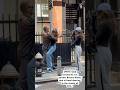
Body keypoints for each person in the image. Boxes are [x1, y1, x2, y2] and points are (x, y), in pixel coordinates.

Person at [94, 3, 115, 90]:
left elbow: (96, 38)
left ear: (103, 13)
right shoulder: (111, 24)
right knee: (105, 78)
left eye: (98, 13)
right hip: (107, 50)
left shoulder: (104, 25)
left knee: (101, 80)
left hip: (101, 51)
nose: (97, 15)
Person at [18, 1, 35, 90]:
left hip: (29, 52)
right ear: (24, 9)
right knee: (24, 77)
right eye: (29, 7)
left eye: (32, 7)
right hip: (25, 52)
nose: (32, 9)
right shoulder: (25, 21)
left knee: (28, 76)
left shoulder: (28, 19)